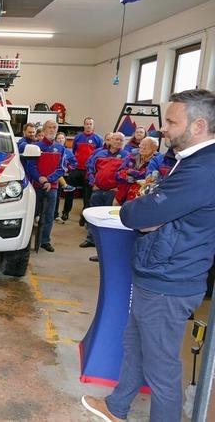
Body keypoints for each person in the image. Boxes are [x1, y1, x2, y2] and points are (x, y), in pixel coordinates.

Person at [82, 89, 215, 422]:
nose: (163, 129)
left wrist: (146, 213)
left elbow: (137, 215)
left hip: (170, 283)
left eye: (171, 121)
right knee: (136, 346)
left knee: (162, 368)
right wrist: (150, 214)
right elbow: (150, 213)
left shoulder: (203, 170)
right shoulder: (191, 163)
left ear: (198, 126)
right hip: (158, 274)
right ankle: (117, 407)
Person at [79, 132, 127, 248]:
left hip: (113, 192)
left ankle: (105, 242)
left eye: (121, 140)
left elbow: (126, 174)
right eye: (116, 139)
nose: (118, 142)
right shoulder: (99, 154)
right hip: (97, 190)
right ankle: (91, 239)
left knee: (108, 218)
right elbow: (90, 169)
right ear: (110, 141)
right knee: (94, 216)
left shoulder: (127, 156)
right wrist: (93, 183)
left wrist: (119, 188)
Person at [25, 119, 66, 252]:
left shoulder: (61, 148)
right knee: (33, 213)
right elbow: (30, 166)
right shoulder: (36, 147)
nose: (52, 130)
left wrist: (48, 180)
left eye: (55, 127)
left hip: (52, 187)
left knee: (49, 216)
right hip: (36, 186)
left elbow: (61, 169)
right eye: (49, 127)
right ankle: (26, 240)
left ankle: (45, 241)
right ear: (43, 130)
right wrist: (40, 179)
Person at [64, 117, 103, 223]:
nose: (89, 125)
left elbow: (100, 154)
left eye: (90, 124)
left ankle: (84, 217)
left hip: (89, 171)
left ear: (93, 126)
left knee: (87, 196)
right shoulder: (78, 137)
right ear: (84, 125)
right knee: (69, 191)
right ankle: (65, 212)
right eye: (87, 123)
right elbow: (74, 151)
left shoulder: (98, 139)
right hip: (76, 169)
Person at [115, 137, 158, 204]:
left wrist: (132, 172)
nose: (141, 147)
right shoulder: (132, 156)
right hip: (121, 194)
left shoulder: (156, 161)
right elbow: (119, 173)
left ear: (154, 149)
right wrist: (126, 178)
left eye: (146, 145)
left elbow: (148, 177)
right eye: (141, 144)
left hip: (138, 197)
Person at [54, 132, 78, 222]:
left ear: (65, 140)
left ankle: (62, 213)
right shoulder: (54, 150)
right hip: (56, 176)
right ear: (56, 140)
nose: (60, 140)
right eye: (59, 138)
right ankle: (54, 214)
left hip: (66, 176)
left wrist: (68, 168)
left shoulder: (68, 151)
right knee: (55, 196)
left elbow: (74, 163)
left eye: (62, 138)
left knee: (64, 195)